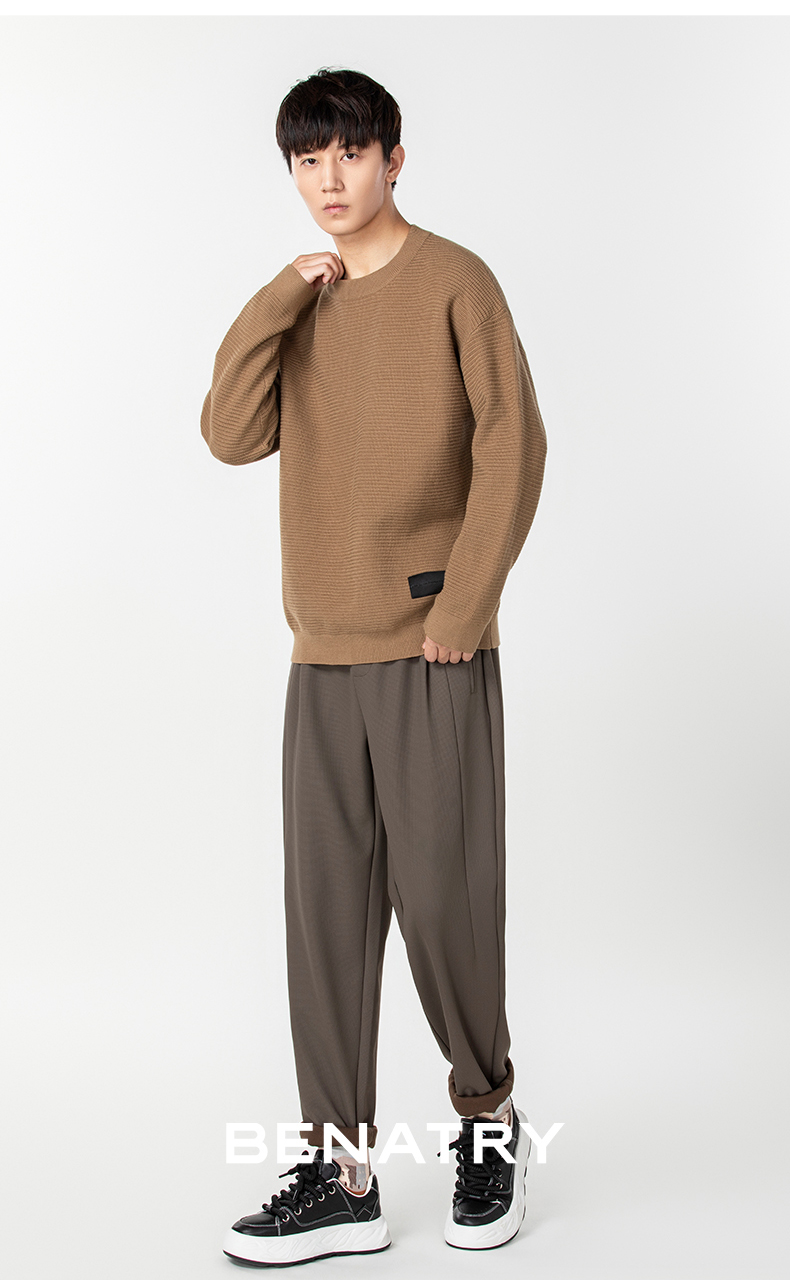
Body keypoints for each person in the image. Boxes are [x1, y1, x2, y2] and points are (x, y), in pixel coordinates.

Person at [200, 66, 548, 1268]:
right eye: (307, 161)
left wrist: (466, 599)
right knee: (327, 919)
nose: (328, 179)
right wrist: (276, 298)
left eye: (348, 153)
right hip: (322, 657)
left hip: (430, 644)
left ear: (394, 158)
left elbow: (512, 440)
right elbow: (229, 433)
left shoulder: (457, 280)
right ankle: (340, 1175)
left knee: (447, 902)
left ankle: (489, 1123)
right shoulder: (302, 304)